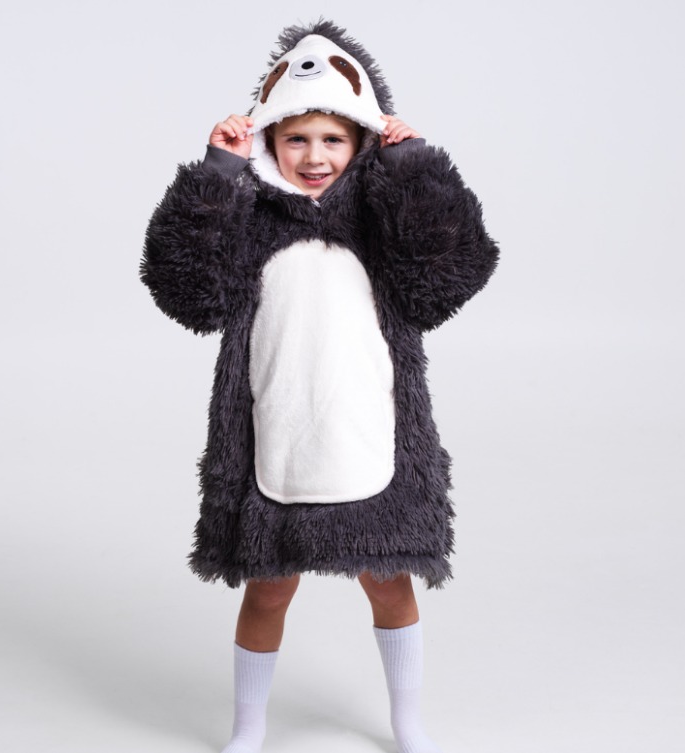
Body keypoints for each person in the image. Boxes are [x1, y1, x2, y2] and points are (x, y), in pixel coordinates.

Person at [140, 19, 499, 753]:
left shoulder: (379, 219)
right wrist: (216, 175)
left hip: (370, 427)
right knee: (268, 588)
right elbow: (188, 291)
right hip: (274, 432)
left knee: (389, 581)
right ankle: (247, 727)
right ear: (269, 138)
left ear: (361, 138)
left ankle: (407, 722)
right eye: (296, 138)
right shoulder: (249, 219)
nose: (314, 156)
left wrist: (417, 171)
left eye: (333, 139)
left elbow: (446, 276)